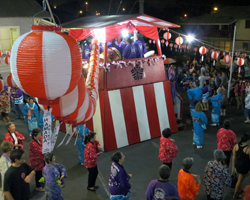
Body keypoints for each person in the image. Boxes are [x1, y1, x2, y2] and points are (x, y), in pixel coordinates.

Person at [232, 133, 250, 199]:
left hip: (237, 165)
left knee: (238, 180)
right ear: (247, 140)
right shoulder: (248, 149)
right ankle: (235, 193)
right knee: (239, 181)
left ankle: (240, 190)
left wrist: (233, 166)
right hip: (244, 168)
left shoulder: (236, 146)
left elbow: (234, 156)